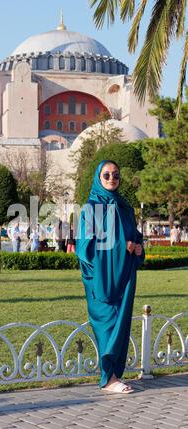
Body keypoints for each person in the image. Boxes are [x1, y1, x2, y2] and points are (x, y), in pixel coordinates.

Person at [76, 160, 145, 394]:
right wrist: (120, 246)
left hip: (124, 276)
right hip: (101, 278)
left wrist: (137, 248)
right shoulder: (92, 208)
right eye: (106, 175)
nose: (112, 179)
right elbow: (85, 248)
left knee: (120, 325)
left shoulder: (125, 208)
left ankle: (114, 374)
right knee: (106, 324)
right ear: (98, 178)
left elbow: (134, 236)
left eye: (116, 175)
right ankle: (108, 378)